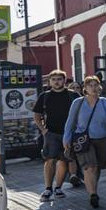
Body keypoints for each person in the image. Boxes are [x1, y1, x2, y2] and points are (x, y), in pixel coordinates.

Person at [61, 75, 106, 209]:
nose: (93, 88)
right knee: (90, 167)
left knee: (97, 167)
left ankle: (93, 190)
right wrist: (66, 138)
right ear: (85, 88)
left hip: (103, 139)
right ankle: (93, 194)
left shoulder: (105, 102)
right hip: (83, 139)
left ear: (100, 87)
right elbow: (70, 122)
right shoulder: (78, 102)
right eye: (90, 85)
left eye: (95, 85)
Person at [34, 69, 77, 202]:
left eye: (59, 79)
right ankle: (48, 188)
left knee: (64, 160)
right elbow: (37, 115)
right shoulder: (44, 96)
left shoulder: (73, 95)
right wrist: (43, 130)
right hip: (51, 133)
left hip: (68, 133)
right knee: (49, 160)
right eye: (54, 79)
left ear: (64, 81)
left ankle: (58, 187)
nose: (57, 82)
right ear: (50, 82)